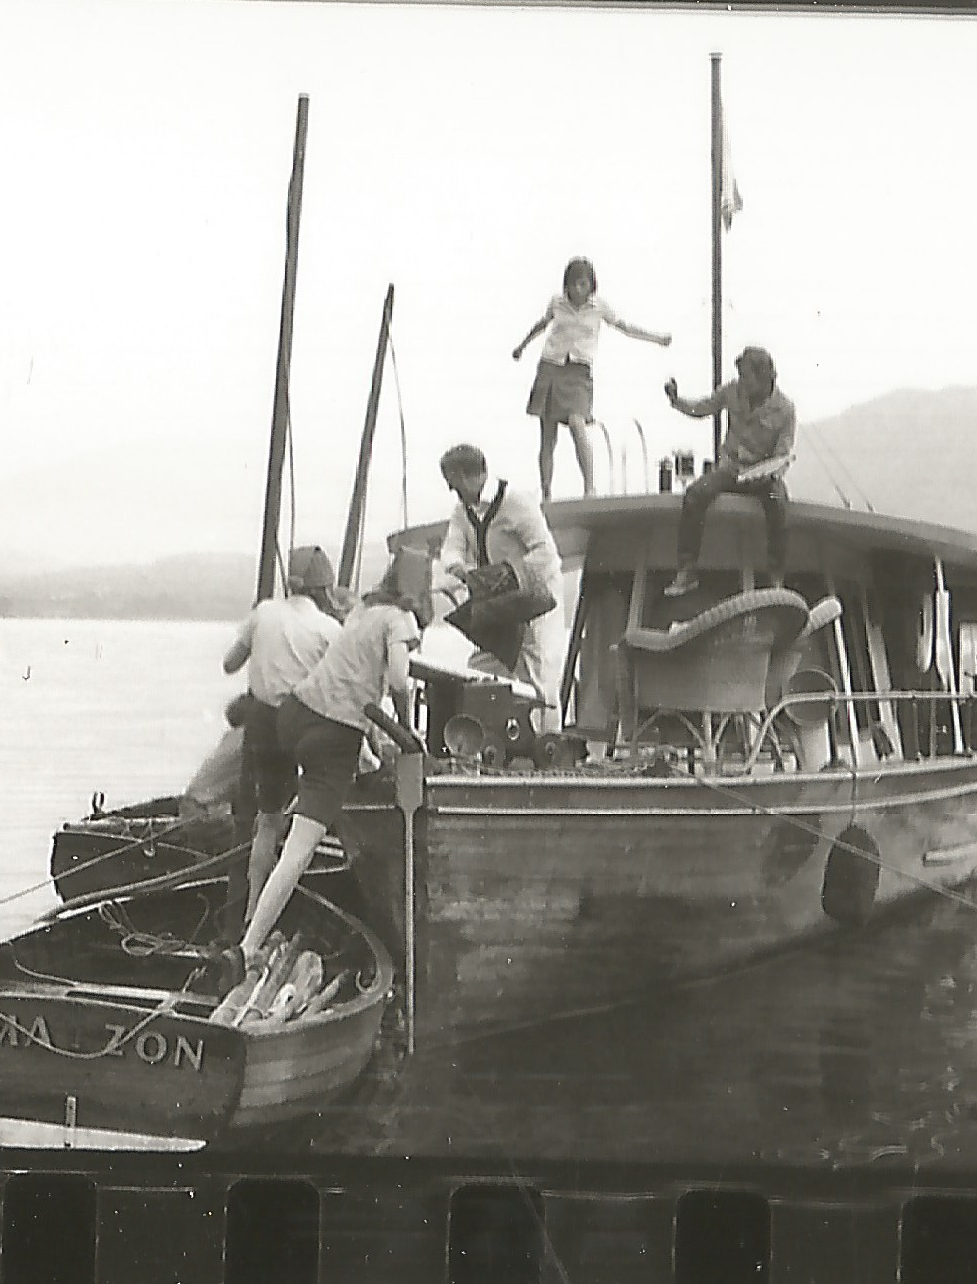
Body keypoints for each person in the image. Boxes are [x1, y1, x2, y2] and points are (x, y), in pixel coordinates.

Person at [234, 551, 433, 966]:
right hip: (334, 736)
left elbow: (351, 672)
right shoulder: (399, 619)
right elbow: (398, 678)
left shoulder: (363, 608)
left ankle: (249, 908)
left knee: (274, 819)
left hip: (293, 716)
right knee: (301, 849)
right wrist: (407, 726)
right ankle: (249, 945)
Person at [210, 546, 340, 941]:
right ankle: (278, 905)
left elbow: (229, 664)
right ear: (325, 589)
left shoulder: (264, 612)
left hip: (262, 725)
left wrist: (258, 643)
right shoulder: (328, 630)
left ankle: (251, 912)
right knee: (304, 817)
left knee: (264, 821)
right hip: (305, 723)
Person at [508, 258, 673, 500]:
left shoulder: (599, 307)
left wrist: (657, 338)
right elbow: (542, 325)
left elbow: (625, 326)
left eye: (582, 284)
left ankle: (590, 487)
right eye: (573, 284)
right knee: (547, 434)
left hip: (579, 371)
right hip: (551, 366)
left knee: (577, 423)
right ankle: (545, 492)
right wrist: (521, 346)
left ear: (591, 284)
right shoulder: (557, 302)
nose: (577, 290)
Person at [433, 444, 566, 716]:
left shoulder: (517, 501)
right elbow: (452, 547)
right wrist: (458, 568)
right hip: (496, 606)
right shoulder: (463, 511)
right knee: (480, 672)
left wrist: (508, 574)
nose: (451, 490)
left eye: (454, 483)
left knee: (537, 676)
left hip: (534, 603)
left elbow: (546, 553)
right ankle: (478, 738)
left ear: (468, 475)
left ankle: (548, 743)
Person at [660, 346, 798, 598]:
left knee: (778, 503)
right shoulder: (732, 391)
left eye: (747, 376)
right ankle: (687, 570)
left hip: (762, 475)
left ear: (764, 378)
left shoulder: (786, 409)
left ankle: (775, 577)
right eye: (741, 375)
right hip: (731, 469)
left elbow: (783, 455)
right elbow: (702, 407)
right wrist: (676, 400)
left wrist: (769, 472)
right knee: (694, 495)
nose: (742, 382)